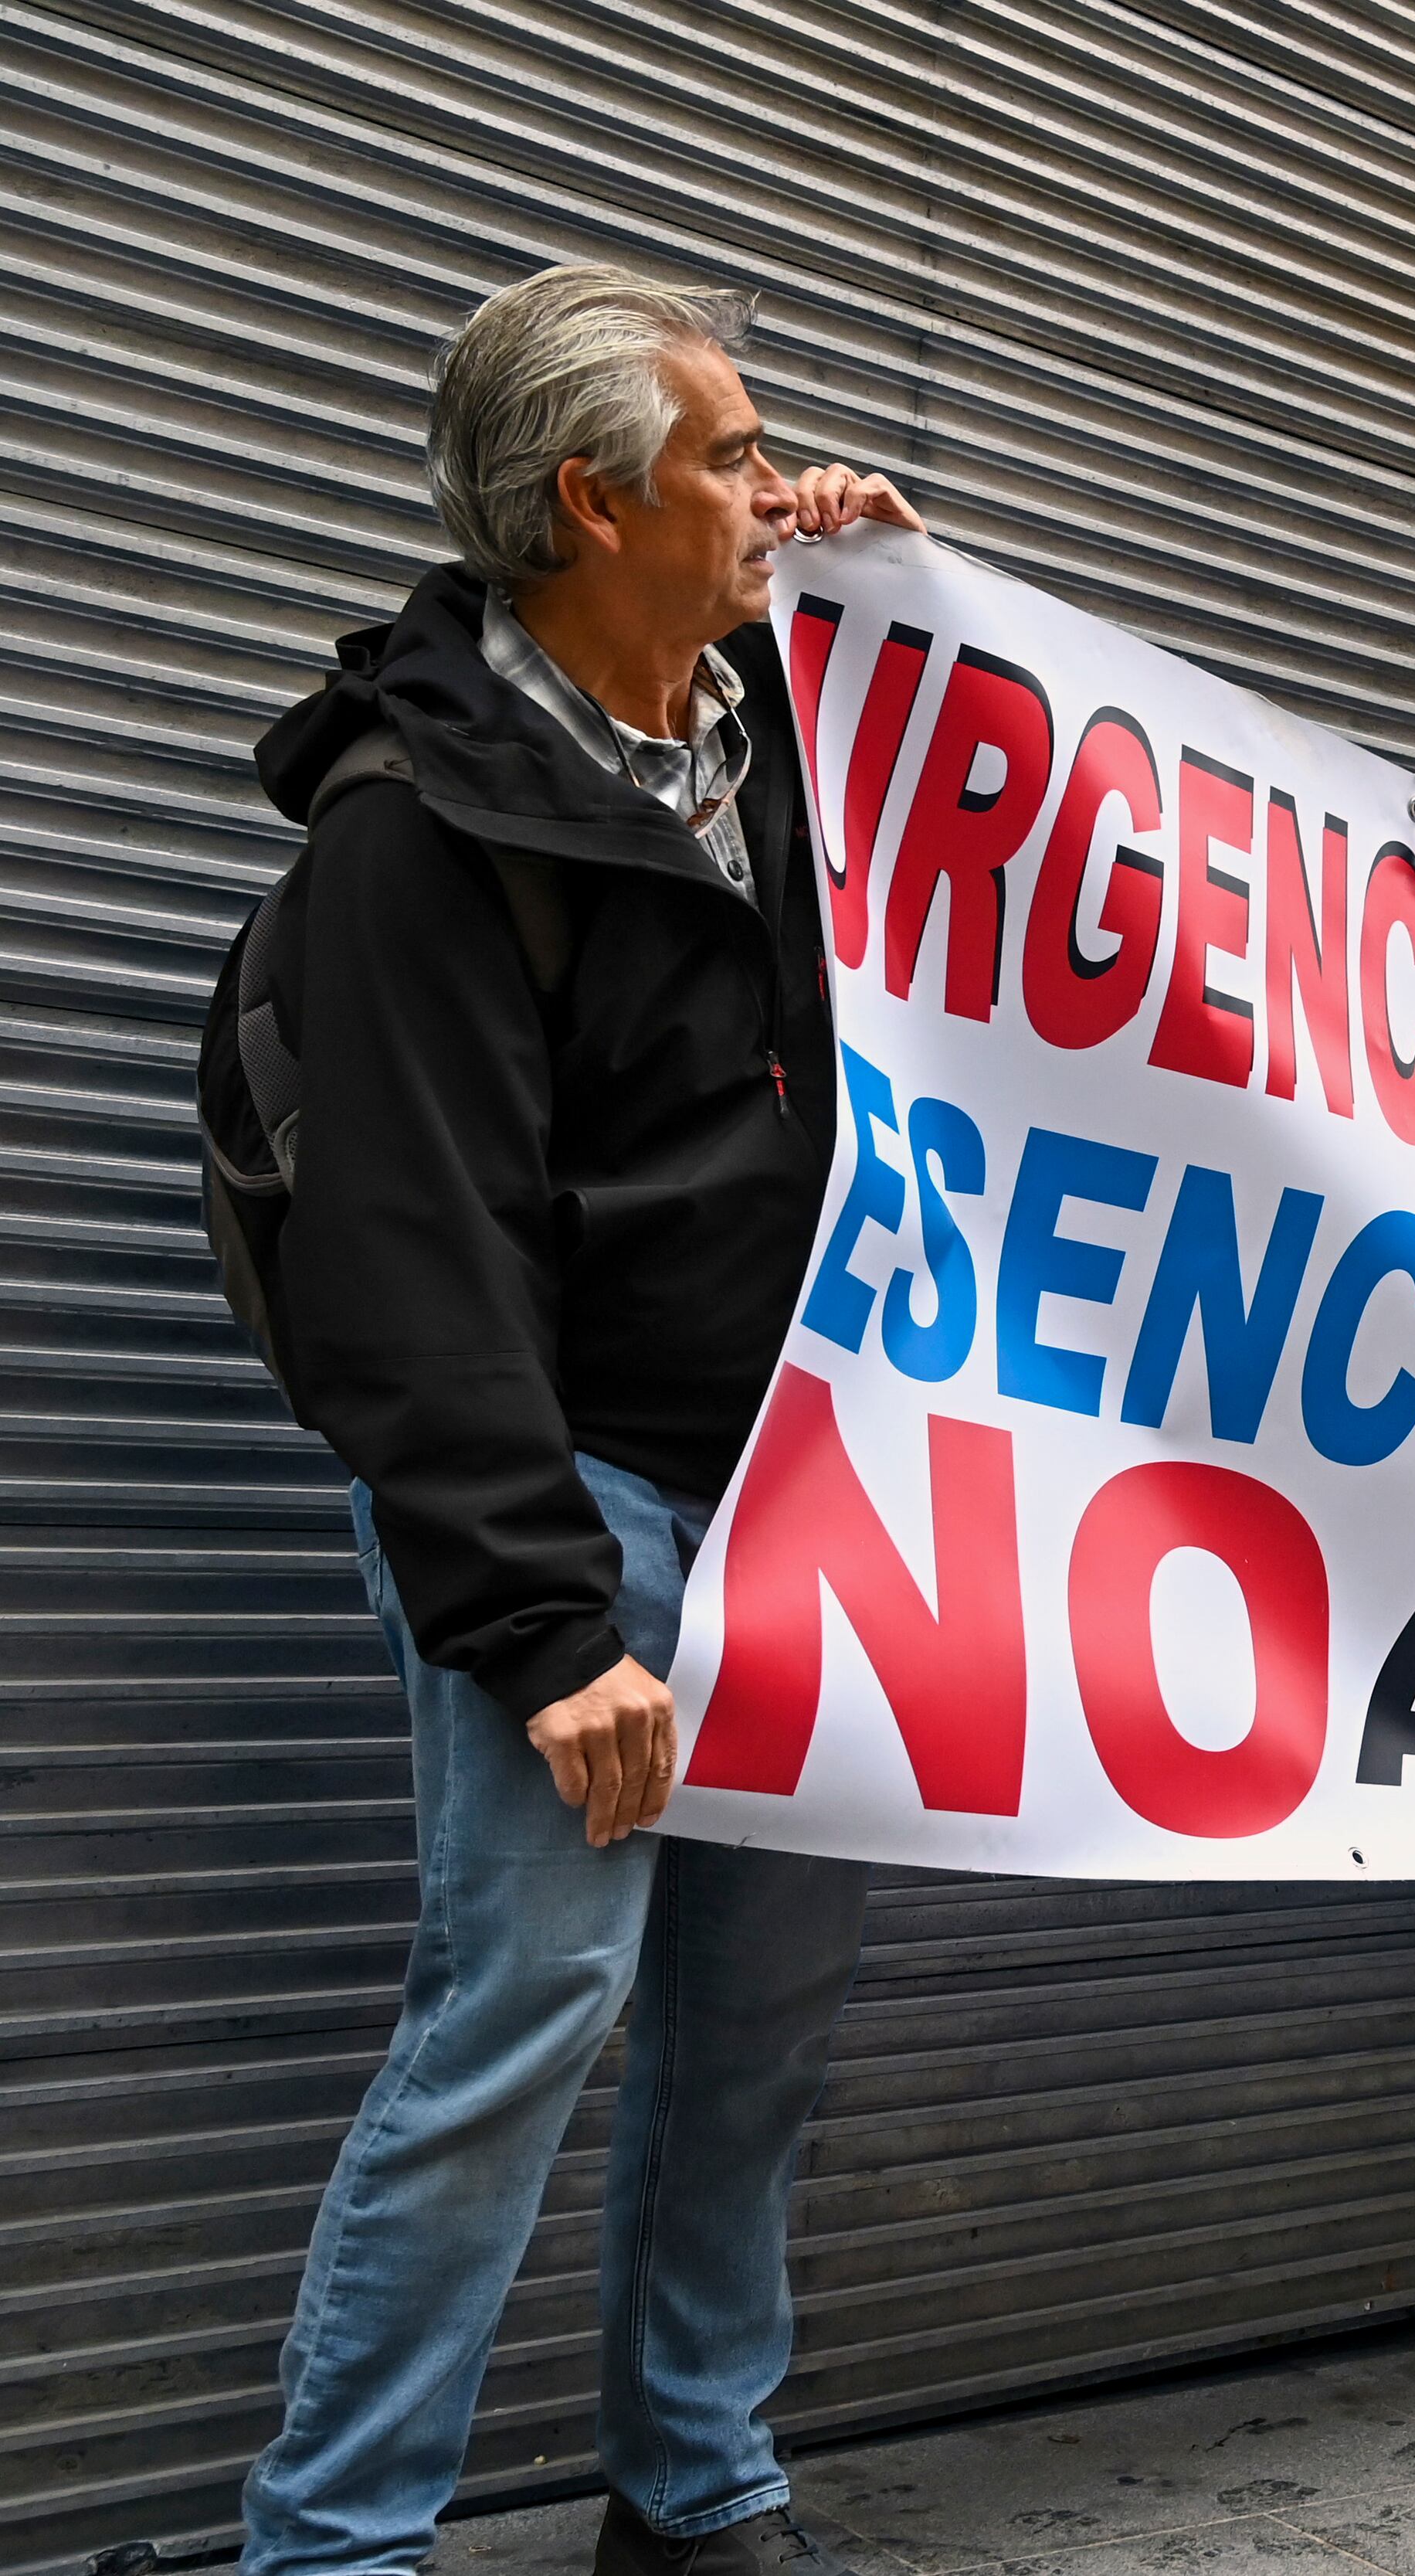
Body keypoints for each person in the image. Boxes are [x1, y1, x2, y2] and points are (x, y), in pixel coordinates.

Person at [227, 266, 919, 2576]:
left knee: (752, 2031)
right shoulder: (421, 833)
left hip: (800, 1507)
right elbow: (406, 1269)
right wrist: (540, 1621)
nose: (766, 485)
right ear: (589, 499)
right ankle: (334, 2543)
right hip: (585, 1508)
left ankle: (694, 2481)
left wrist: (888, 597)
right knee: (518, 2016)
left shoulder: (769, 733)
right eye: (728, 455)